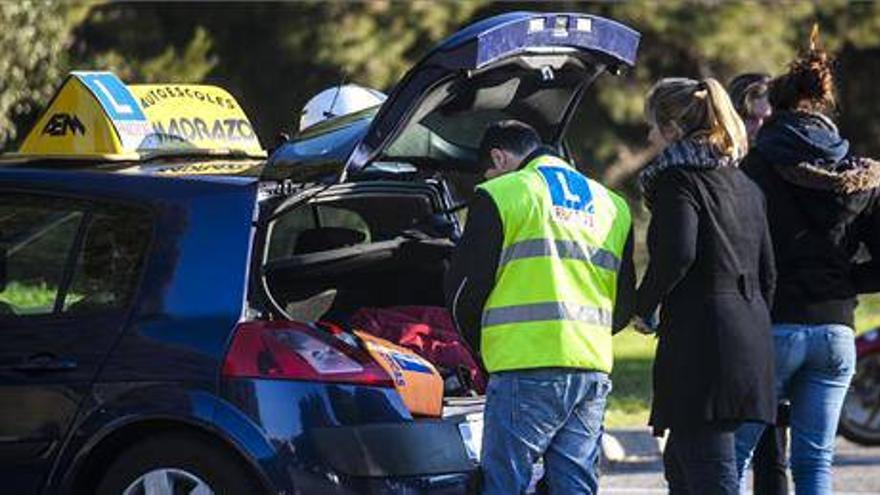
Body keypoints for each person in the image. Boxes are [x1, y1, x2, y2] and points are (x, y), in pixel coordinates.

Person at [446, 120, 636, 494]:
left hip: (525, 365)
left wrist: (480, 349)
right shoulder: (613, 204)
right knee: (575, 485)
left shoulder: (501, 194)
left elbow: (463, 291)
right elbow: (624, 300)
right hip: (591, 367)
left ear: (498, 157)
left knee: (505, 483)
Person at [734, 28, 880, 495]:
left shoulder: (756, 167)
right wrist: (842, 281)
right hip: (836, 330)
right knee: (816, 463)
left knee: (733, 455)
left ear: (775, 109)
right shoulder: (861, 174)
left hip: (775, 323)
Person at [632, 77, 777, 494]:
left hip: (705, 344)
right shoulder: (746, 185)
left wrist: (643, 307)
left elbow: (678, 253)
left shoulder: (678, 181)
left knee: (710, 474)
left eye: (654, 127)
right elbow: (769, 272)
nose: (649, 136)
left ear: (674, 130)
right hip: (749, 338)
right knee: (682, 466)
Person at [729, 72, 790, 495]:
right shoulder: (733, 171)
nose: (758, 128)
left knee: (772, 447)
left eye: (766, 119)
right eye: (750, 119)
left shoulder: (782, 166)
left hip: (777, 312)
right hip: (746, 314)